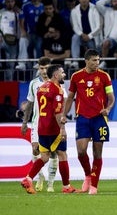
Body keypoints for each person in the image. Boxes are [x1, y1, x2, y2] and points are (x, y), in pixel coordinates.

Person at [63, 49, 115, 195]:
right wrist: (64, 115)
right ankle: (88, 175)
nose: (97, 63)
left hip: (99, 118)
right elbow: (70, 98)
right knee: (81, 151)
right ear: (86, 61)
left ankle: (94, 187)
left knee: (97, 154)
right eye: (94, 60)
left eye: (98, 60)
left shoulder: (104, 76)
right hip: (83, 118)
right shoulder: (76, 76)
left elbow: (111, 97)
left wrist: (108, 108)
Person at [21, 64, 77, 194]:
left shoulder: (42, 88)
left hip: (42, 127)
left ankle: (28, 178)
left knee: (44, 156)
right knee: (62, 155)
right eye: (62, 72)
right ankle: (66, 186)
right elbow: (57, 112)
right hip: (53, 128)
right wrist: (62, 129)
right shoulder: (57, 89)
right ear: (56, 75)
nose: (64, 75)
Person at [20, 57, 58, 193]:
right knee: (36, 151)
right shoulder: (34, 84)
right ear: (38, 69)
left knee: (54, 153)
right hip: (37, 124)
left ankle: (51, 184)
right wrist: (25, 122)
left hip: (53, 124)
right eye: (41, 68)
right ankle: (40, 177)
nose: (43, 71)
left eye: (46, 68)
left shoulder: (57, 83)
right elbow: (30, 103)